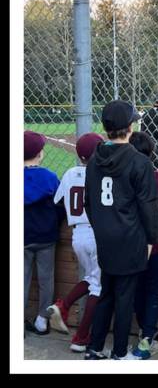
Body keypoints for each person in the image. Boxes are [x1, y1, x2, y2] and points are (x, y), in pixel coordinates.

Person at [83, 101, 158, 360]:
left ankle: (94, 347)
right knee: (124, 296)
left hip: (105, 235)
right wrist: (151, 238)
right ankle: (118, 353)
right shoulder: (139, 161)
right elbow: (148, 206)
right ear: (129, 127)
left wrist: (101, 227)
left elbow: (89, 202)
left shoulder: (95, 159)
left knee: (106, 291)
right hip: (130, 236)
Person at [49, 132, 105, 351]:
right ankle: (81, 338)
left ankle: (63, 305)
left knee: (92, 278)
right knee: (98, 287)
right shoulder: (100, 173)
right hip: (96, 234)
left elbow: (58, 201)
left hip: (77, 235)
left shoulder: (70, 172)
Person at [127, 132, 158, 358]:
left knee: (137, 289)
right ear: (151, 153)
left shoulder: (122, 176)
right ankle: (147, 335)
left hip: (130, 244)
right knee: (154, 290)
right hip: (156, 244)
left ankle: (144, 330)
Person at [24, 131, 64, 338]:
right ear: (40, 153)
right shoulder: (49, 177)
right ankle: (41, 321)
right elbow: (60, 207)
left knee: (21, 279)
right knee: (46, 278)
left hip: (22, 237)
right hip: (46, 236)